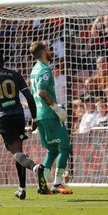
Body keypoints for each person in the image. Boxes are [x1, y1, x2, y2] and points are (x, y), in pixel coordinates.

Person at [0, 52, 48, 200]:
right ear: (3, 62)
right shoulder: (15, 74)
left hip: (2, 117)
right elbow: (29, 97)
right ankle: (21, 189)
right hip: (18, 115)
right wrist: (34, 118)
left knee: (16, 152)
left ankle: (35, 168)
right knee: (19, 152)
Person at [29, 41, 73, 194]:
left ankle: (42, 184)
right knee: (65, 147)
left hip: (40, 115)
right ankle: (58, 183)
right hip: (49, 114)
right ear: (42, 52)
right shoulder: (45, 69)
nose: (50, 51)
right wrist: (55, 107)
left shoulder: (34, 70)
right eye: (47, 49)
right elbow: (41, 92)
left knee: (52, 151)